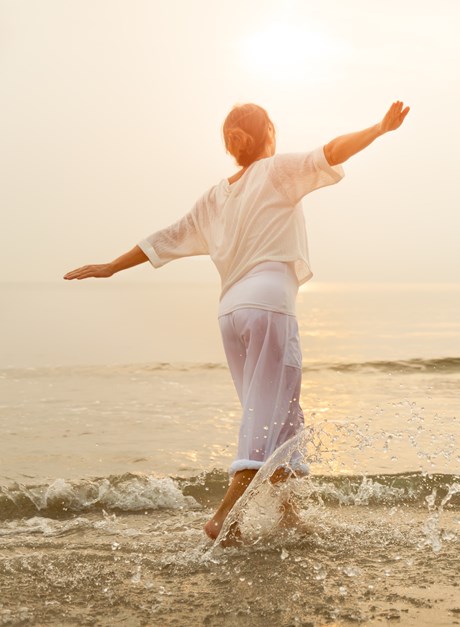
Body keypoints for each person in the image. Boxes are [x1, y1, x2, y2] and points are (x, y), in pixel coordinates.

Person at [64, 100, 410, 545]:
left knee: (278, 413)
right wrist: (379, 129)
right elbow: (331, 151)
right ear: (267, 130)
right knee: (265, 418)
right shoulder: (276, 171)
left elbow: (165, 239)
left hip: (231, 313)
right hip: (268, 307)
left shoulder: (215, 196)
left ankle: (287, 513)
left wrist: (112, 266)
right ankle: (225, 518)